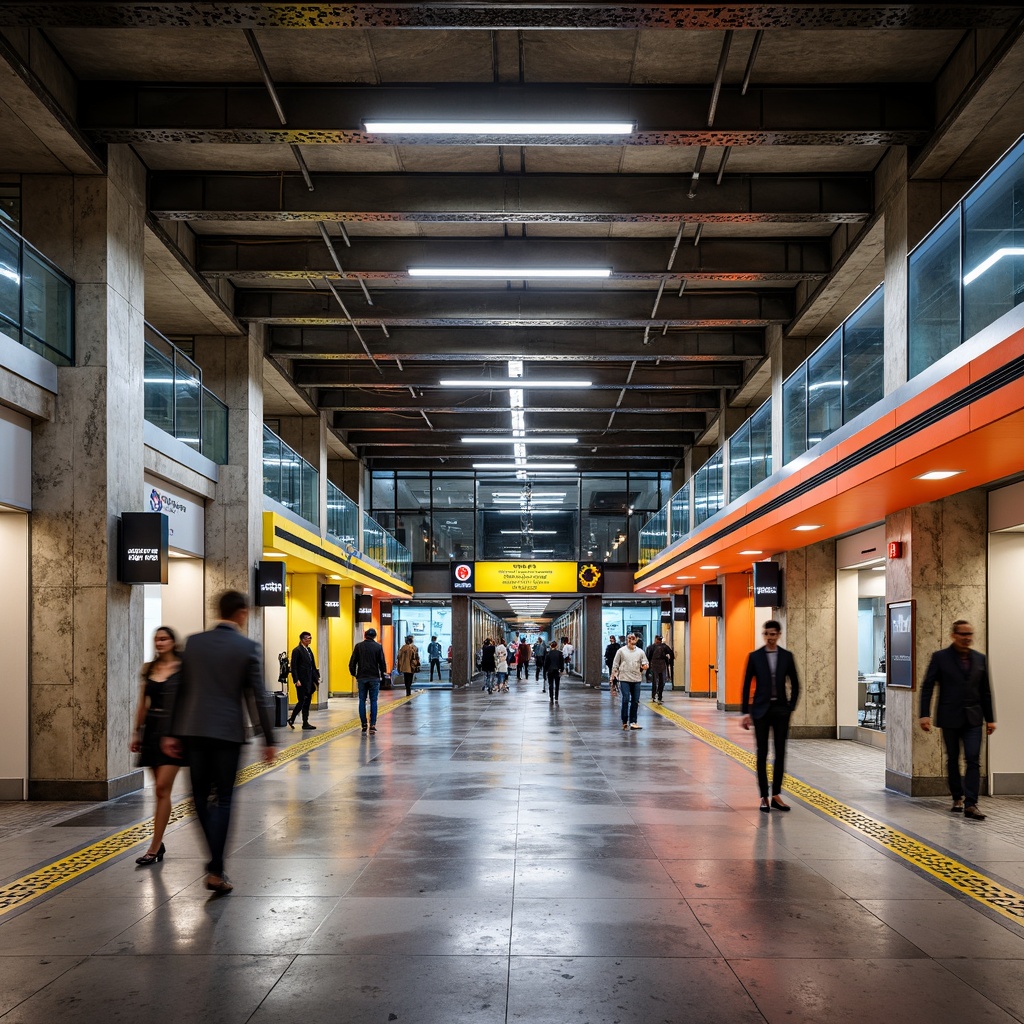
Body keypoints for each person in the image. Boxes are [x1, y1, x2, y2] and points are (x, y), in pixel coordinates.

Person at [162, 591, 276, 894]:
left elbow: (178, 689)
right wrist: (268, 738)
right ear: (241, 613)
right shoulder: (247, 647)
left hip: (194, 732)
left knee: (199, 798)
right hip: (227, 734)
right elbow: (258, 697)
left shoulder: (194, 643)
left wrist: (172, 732)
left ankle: (215, 864)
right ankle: (216, 866)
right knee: (224, 799)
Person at [919, 619, 996, 821]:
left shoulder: (980, 659)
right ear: (954, 636)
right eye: (963, 634)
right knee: (953, 758)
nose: (967, 638)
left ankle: (971, 803)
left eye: (970, 634)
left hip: (973, 718)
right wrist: (924, 714)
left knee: (973, 759)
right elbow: (928, 686)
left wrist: (991, 719)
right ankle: (957, 797)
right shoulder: (940, 658)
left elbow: (985, 691)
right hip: (949, 717)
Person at [130, 626, 185, 866]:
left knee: (163, 787)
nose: (159, 643)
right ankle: (159, 842)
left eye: (164, 639)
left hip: (173, 730)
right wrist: (136, 732)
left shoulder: (183, 669)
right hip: (152, 729)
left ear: (173, 642)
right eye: (156, 639)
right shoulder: (149, 669)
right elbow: (143, 702)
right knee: (158, 790)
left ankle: (153, 847)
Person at [741, 620, 801, 813]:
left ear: (779, 635)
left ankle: (776, 795)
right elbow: (746, 684)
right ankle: (763, 797)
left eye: (773, 634)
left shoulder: (787, 656)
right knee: (762, 753)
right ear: (763, 635)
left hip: (781, 710)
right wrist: (745, 712)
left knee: (781, 752)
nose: (770, 637)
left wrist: (790, 706)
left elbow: (796, 683)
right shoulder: (755, 657)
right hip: (760, 711)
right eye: (767, 634)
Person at [349, 627, 388, 733]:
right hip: (374, 677)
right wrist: (383, 675)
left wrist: (354, 673)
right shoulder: (378, 647)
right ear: (374, 636)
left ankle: (364, 724)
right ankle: (373, 724)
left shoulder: (358, 646)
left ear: (365, 635)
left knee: (362, 700)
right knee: (373, 701)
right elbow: (382, 663)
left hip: (362, 677)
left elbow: (352, 662)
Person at [611, 633, 649, 730]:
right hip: (624, 678)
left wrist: (645, 666)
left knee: (635, 700)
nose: (631, 640)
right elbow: (615, 664)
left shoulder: (640, 652)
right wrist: (613, 676)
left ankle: (633, 721)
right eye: (629, 638)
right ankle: (624, 721)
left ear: (636, 640)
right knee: (626, 699)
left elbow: (645, 662)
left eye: (633, 638)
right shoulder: (621, 651)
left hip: (636, 679)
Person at [288, 630, 318, 730]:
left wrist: (316, 677)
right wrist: (296, 679)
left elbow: (312, 665)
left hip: (309, 680)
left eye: (310, 638)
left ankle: (305, 722)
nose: (310, 640)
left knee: (307, 701)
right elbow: (294, 666)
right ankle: (292, 719)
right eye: (308, 638)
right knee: (302, 701)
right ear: (302, 639)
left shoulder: (309, 651)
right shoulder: (297, 650)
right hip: (301, 680)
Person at [645, 635, 674, 703]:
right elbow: (671, 653)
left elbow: (647, 657)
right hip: (661, 664)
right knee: (661, 681)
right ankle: (659, 696)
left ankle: (654, 696)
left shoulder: (651, 647)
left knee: (655, 681)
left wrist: (648, 666)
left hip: (654, 664)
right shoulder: (664, 646)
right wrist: (669, 661)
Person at [544, 639, 565, 705]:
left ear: (551, 646)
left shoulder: (548, 654)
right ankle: (556, 697)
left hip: (550, 671)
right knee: (557, 684)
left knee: (550, 684)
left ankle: (551, 697)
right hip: (557, 671)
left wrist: (545, 672)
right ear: (556, 646)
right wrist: (562, 669)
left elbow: (546, 664)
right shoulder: (559, 653)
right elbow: (562, 663)